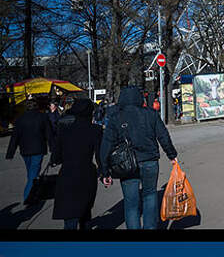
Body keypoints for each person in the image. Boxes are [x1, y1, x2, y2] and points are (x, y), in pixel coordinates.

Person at [100, 85, 177, 230]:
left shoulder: (116, 118)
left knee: (131, 203)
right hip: (149, 161)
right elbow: (163, 136)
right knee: (150, 196)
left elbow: (106, 145)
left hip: (126, 164)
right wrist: (171, 155)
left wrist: (105, 171)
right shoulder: (150, 114)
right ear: (139, 98)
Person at [50, 98, 103, 230]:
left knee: (70, 215)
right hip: (87, 174)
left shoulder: (64, 130)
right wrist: (104, 173)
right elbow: (99, 155)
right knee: (85, 211)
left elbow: (55, 156)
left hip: (67, 173)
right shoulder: (95, 130)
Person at [5, 96, 54, 204]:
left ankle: (33, 193)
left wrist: (10, 153)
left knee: (31, 173)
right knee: (33, 174)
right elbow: (49, 134)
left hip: (25, 150)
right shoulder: (42, 117)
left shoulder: (20, 119)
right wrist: (53, 148)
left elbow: (15, 137)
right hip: (38, 149)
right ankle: (28, 196)